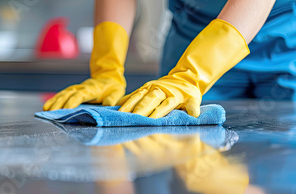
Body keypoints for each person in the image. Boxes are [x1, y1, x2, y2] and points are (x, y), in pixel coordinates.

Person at [43, 0, 296, 118]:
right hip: (191, 38)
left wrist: (192, 75)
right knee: (186, 157)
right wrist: (106, 68)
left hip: (285, 42)